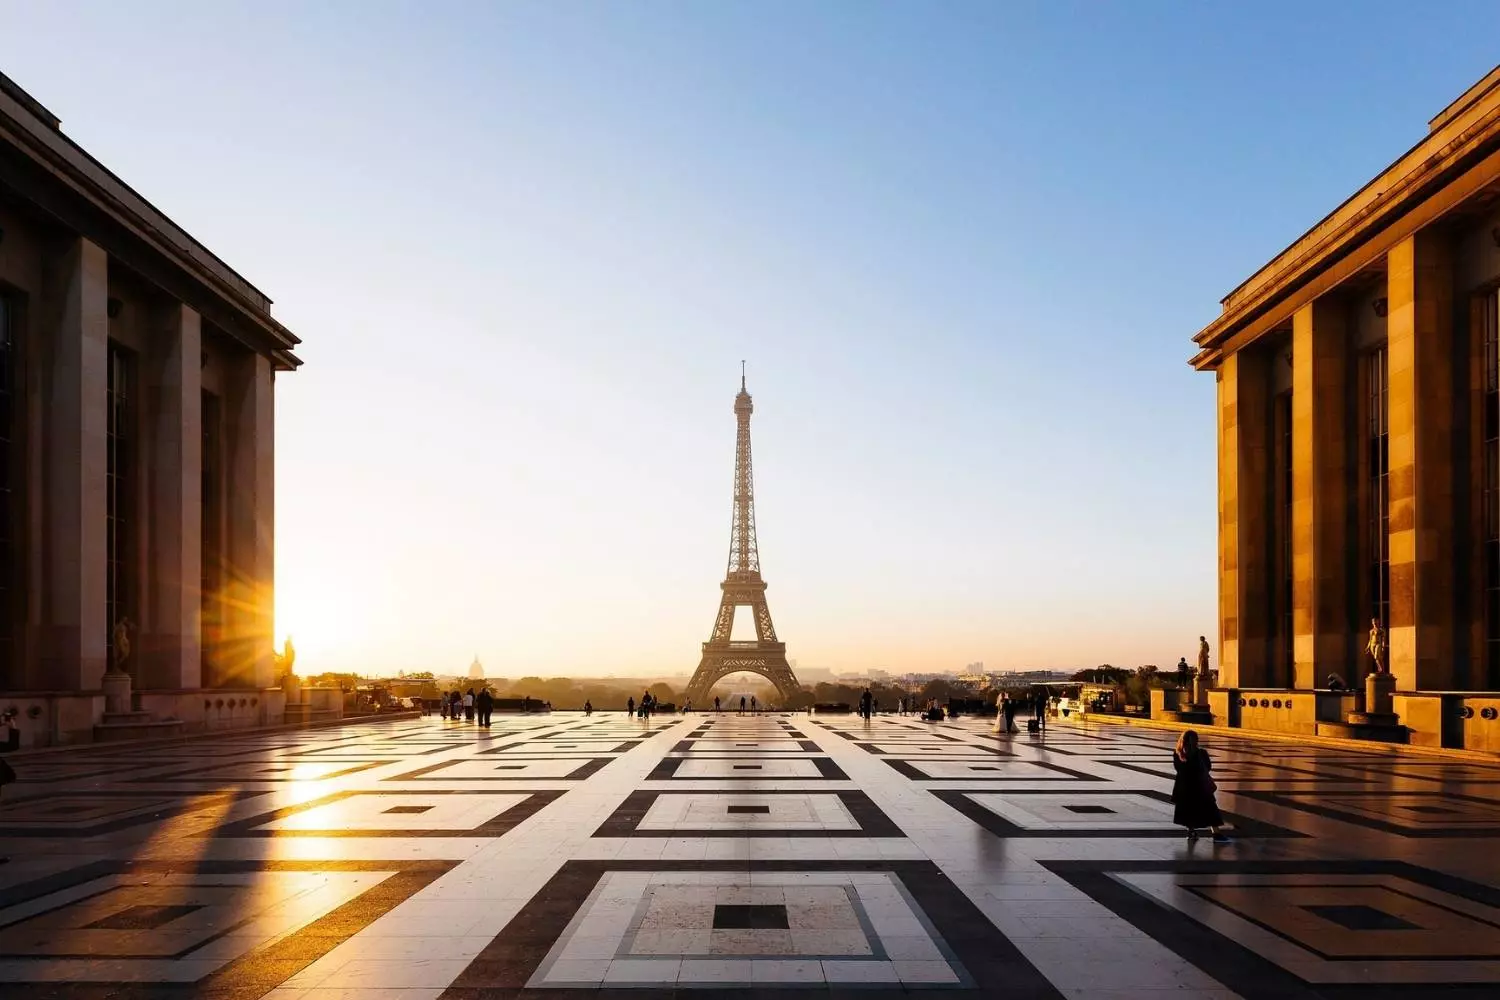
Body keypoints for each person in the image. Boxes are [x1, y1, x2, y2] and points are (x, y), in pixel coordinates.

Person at [1171, 730, 1227, 842]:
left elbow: (1178, 769)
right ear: (1196, 740)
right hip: (1200, 787)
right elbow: (1208, 767)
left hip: (1184, 787)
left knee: (1188, 811)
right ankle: (1216, 834)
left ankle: (1191, 832)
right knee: (1211, 811)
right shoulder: (1201, 753)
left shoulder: (1178, 754)